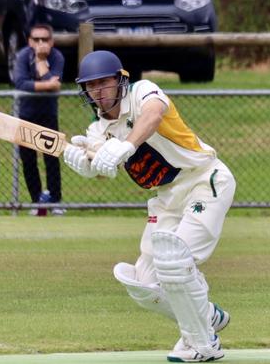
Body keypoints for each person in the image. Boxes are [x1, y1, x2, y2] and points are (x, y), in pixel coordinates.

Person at [63, 51, 236, 362]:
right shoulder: (97, 130)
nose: (99, 92)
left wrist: (126, 144)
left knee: (175, 260)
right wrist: (86, 163)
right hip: (166, 198)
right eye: (91, 86)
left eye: (104, 83)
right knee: (142, 280)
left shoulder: (143, 92)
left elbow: (154, 116)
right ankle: (206, 316)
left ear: (120, 81)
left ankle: (203, 344)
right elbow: (105, 166)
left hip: (203, 180)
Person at [13, 23, 65, 216]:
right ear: (29, 41)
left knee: (51, 157)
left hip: (48, 114)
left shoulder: (57, 56)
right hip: (27, 114)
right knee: (28, 159)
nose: (40, 43)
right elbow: (20, 82)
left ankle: (55, 200)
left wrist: (42, 60)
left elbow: (56, 82)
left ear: (51, 41)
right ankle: (37, 201)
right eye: (36, 39)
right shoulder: (22, 56)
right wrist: (47, 85)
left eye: (45, 39)